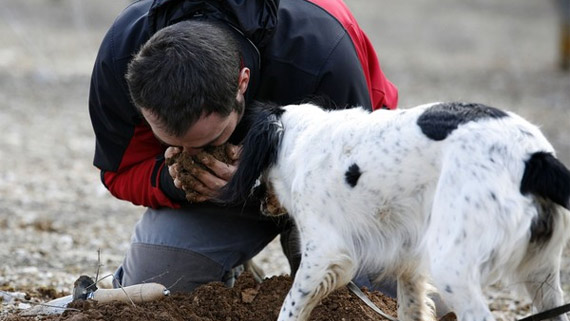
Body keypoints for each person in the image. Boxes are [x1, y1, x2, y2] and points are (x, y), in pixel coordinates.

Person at [89, 0, 398, 293]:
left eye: (210, 141)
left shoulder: (321, 53)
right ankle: (236, 274)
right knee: (157, 283)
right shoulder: (123, 55)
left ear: (242, 83)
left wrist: (270, 184)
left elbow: (359, 179)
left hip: (328, 190)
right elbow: (120, 170)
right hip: (215, 202)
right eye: (172, 145)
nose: (190, 156)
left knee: (384, 290)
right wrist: (173, 182)